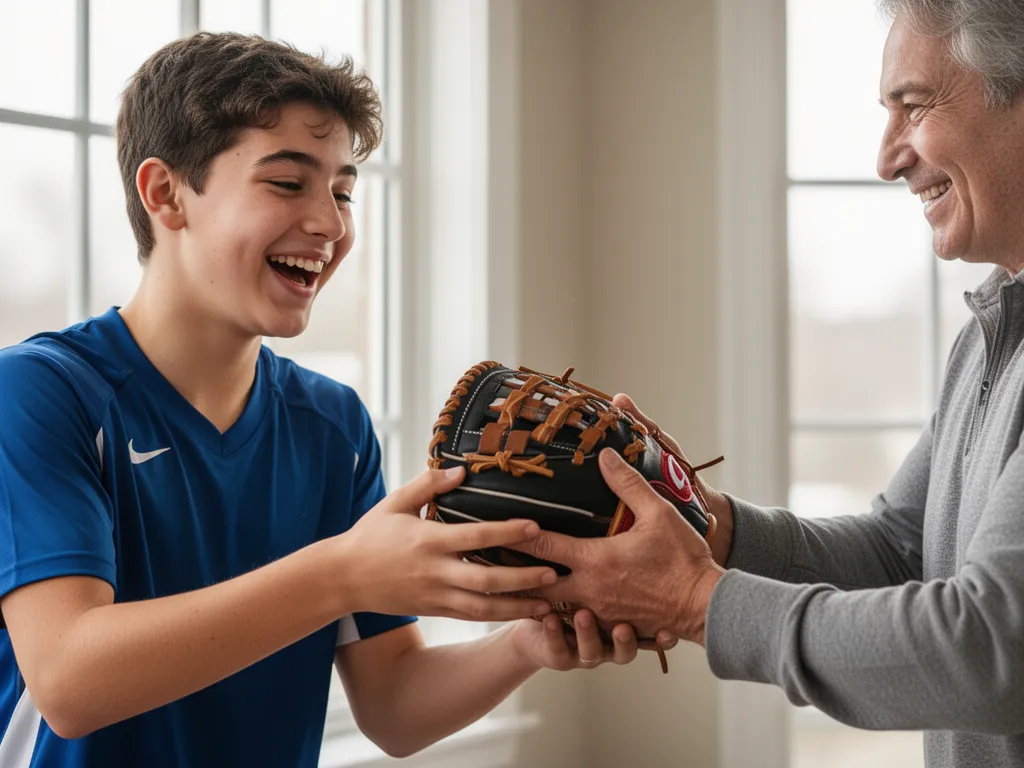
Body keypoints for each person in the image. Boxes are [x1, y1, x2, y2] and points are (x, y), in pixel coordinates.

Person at [0, 32, 653, 768]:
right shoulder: (38, 392)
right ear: (166, 194)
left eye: (342, 191)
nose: (331, 224)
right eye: (288, 183)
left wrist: (527, 644)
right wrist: (343, 572)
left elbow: (394, 707)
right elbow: (69, 678)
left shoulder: (333, 424)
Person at [514, 2, 1024, 767]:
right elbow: (899, 551)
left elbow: (983, 651)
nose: (888, 157)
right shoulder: (994, 330)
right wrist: (703, 524)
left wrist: (694, 601)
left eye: (913, 107)